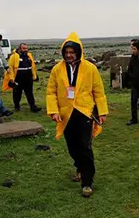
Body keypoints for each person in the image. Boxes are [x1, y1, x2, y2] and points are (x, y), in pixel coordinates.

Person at [46, 32, 108, 198]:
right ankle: (80, 167)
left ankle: (87, 182)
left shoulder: (90, 68)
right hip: (66, 115)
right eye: (66, 52)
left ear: (79, 52)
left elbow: (99, 92)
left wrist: (102, 112)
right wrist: (53, 111)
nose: (69, 55)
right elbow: (51, 92)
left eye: (72, 52)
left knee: (85, 146)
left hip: (84, 112)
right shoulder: (57, 69)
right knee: (72, 147)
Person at [3, 43, 42, 112]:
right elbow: (10, 68)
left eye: (26, 48)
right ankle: (17, 106)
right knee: (17, 93)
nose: (26, 50)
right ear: (20, 49)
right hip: (18, 78)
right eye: (24, 48)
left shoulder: (29, 56)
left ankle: (33, 107)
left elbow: (32, 66)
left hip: (28, 77)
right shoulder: (14, 56)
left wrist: (34, 76)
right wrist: (11, 78)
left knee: (30, 93)